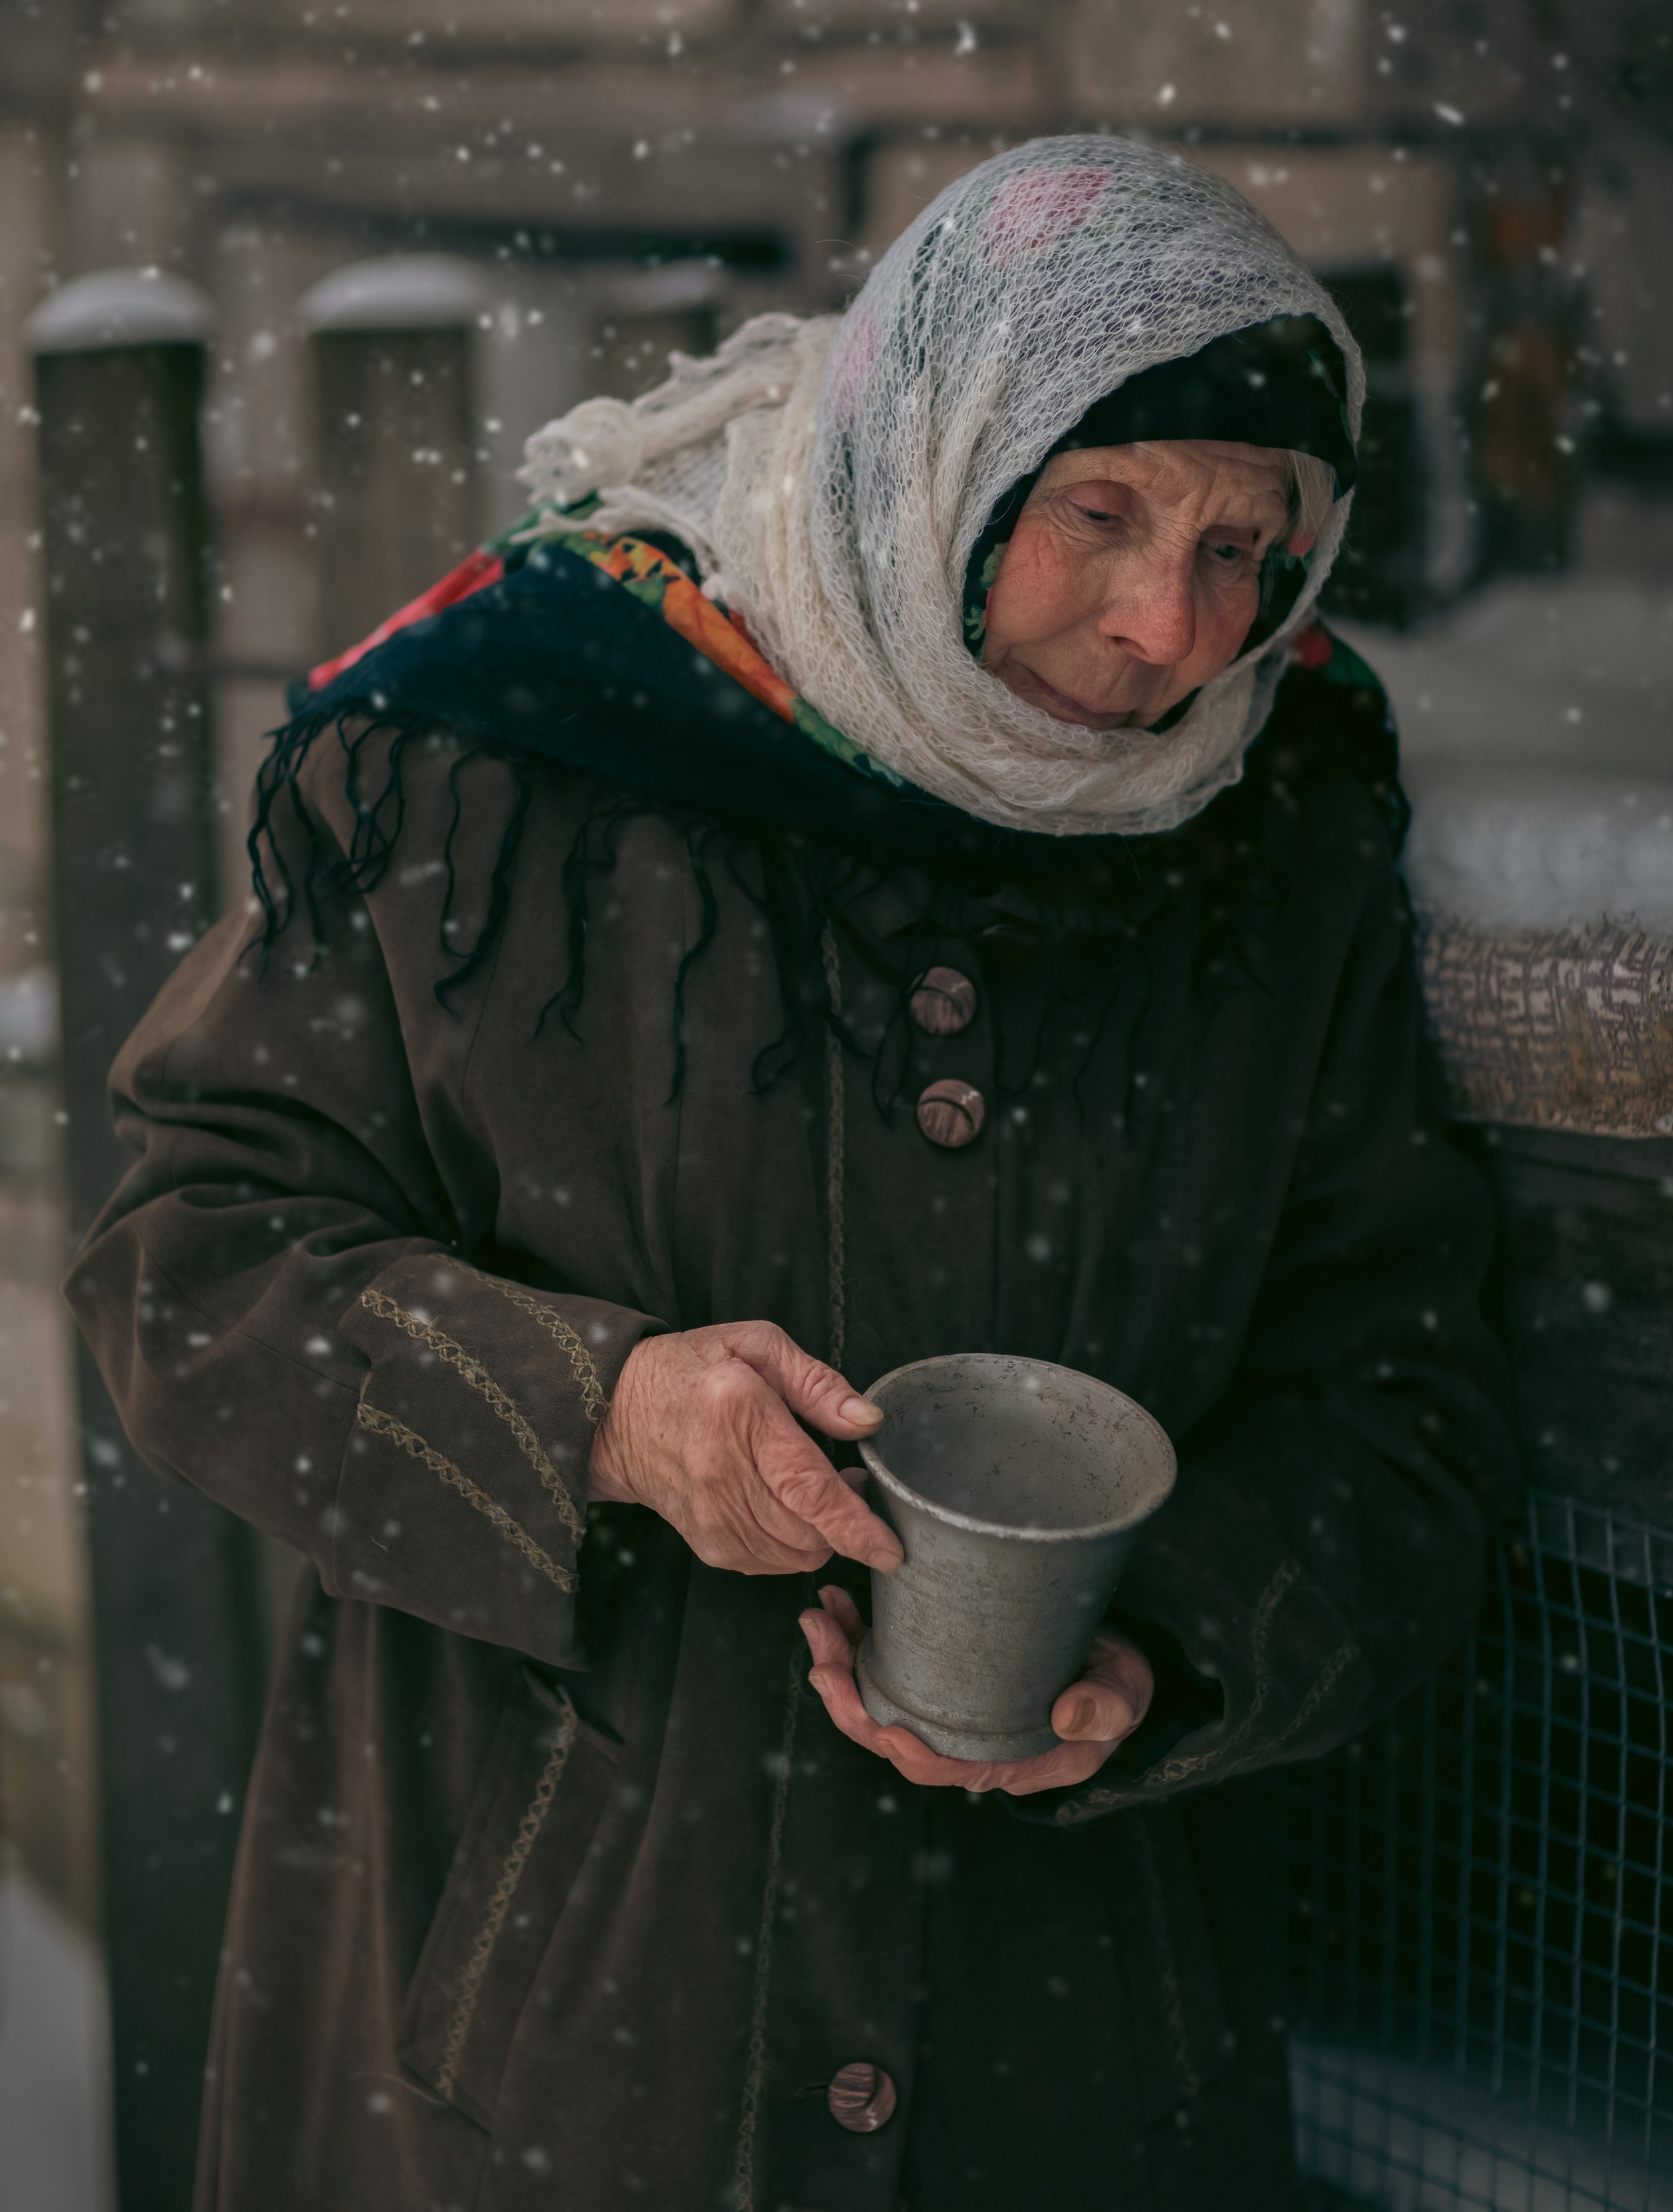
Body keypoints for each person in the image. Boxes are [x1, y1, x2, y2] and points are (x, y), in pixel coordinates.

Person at [69, 136, 1519, 2212]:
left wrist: (1158, 1652)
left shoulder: (1271, 842)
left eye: (1247, 543)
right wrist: (606, 1416)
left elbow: (1405, 1412)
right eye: (1100, 511)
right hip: (545, 2043)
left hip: (1070, 2059)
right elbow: (191, 1270)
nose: (1166, 626)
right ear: (935, 455)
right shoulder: (512, 749)